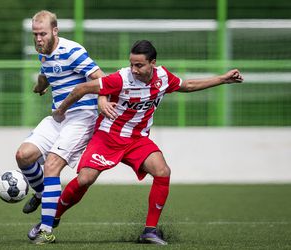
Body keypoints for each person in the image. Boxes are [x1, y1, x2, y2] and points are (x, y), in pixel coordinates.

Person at [50, 40, 244, 245]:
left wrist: (222, 79)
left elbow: (187, 85)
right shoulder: (121, 78)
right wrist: (62, 110)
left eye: (139, 65)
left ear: (153, 63)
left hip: (137, 139)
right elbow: (81, 88)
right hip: (108, 136)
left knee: (163, 171)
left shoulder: (163, 77)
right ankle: (51, 218)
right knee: (85, 179)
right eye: (131, 64)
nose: (134, 69)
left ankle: (150, 231)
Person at [15, 10, 105, 244]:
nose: (38, 39)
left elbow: (100, 77)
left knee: (52, 165)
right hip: (59, 117)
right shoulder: (43, 53)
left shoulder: (73, 50)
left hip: (82, 117)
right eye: (35, 34)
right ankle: (42, 194)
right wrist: (40, 86)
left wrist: (103, 100)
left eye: (42, 34)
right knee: (23, 156)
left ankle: (46, 229)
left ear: (55, 31)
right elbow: (46, 73)